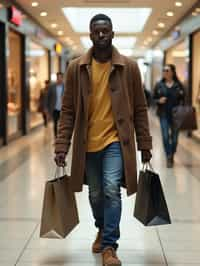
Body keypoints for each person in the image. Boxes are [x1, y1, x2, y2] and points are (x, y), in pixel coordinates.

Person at [54, 14, 152, 266]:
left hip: (116, 142)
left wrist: (145, 144)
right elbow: (67, 110)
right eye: (96, 32)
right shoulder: (77, 68)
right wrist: (61, 145)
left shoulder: (128, 67)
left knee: (110, 190)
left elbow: (140, 108)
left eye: (105, 31)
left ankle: (110, 246)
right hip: (87, 143)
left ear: (112, 33)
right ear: (90, 35)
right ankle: (101, 227)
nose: (101, 36)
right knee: (96, 194)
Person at [153, 64, 185, 168]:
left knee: (175, 139)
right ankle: (169, 156)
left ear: (172, 72)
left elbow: (184, 99)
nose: (165, 72)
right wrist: (159, 100)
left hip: (176, 116)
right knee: (165, 137)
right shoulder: (159, 85)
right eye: (164, 70)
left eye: (167, 70)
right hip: (163, 115)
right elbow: (152, 99)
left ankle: (172, 152)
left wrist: (181, 106)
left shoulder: (179, 85)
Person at [47, 72, 64, 137]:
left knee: (62, 124)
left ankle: (61, 136)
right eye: (58, 78)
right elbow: (47, 97)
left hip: (63, 109)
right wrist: (46, 108)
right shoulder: (52, 86)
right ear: (57, 78)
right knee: (55, 123)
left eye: (60, 77)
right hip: (54, 108)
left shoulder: (65, 86)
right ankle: (56, 137)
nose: (59, 79)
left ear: (62, 78)